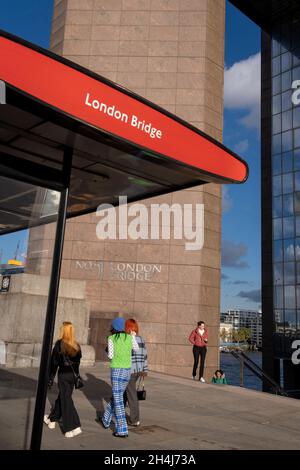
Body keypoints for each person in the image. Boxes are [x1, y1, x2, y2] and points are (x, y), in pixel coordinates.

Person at [101, 316, 139, 438]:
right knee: (116, 397)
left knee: (118, 401)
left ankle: (122, 430)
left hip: (117, 371)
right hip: (127, 371)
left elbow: (111, 355)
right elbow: (136, 349)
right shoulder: (130, 337)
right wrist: (132, 337)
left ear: (114, 327)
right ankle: (106, 419)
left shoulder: (111, 338)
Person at [44, 321, 82, 438]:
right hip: (73, 376)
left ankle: (72, 427)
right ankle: (52, 420)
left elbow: (53, 363)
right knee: (63, 397)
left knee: (66, 399)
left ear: (63, 331)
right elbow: (78, 363)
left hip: (64, 376)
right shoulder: (76, 345)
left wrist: (50, 378)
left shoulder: (59, 344)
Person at [124, 318, 148, 427]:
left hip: (130, 370)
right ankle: (117, 410)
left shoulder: (129, 339)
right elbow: (145, 356)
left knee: (131, 394)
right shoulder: (141, 339)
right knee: (127, 391)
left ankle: (134, 419)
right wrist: (145, 370)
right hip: (138, 370)